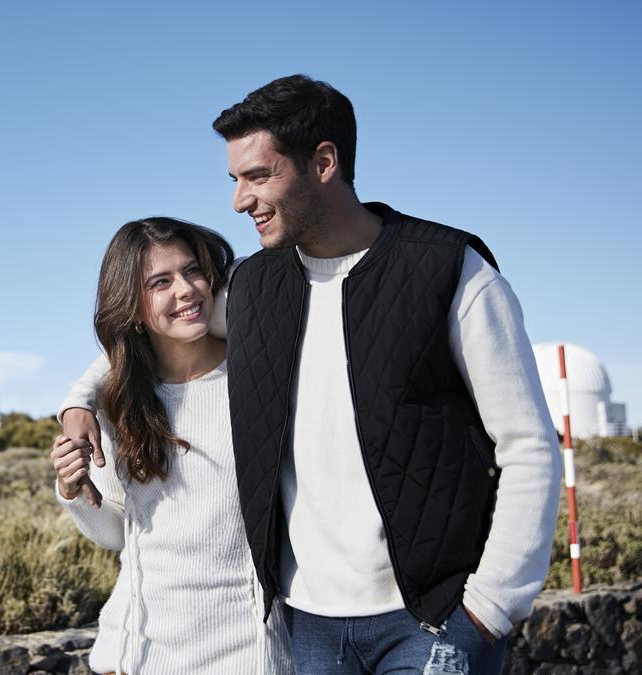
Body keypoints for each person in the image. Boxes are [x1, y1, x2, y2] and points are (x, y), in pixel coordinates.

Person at [59, 75, 560, 674]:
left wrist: (489, 608)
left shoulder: (451, 270)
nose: (239, 201)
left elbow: (529, 446)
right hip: (308, 628)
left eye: (258, 177)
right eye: (234, 180)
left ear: (324, 162)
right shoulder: (252, 288)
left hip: (428, 618)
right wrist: (79, 402)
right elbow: (147, 331)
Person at [51, 217, 293, 674]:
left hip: (247, 656)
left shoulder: (259, 376)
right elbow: (112, 534)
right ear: (132, 305)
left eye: (193, 271)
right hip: (133, 656)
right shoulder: (119, 400)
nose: (185, 290)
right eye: (160, 282)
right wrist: (71, 489)